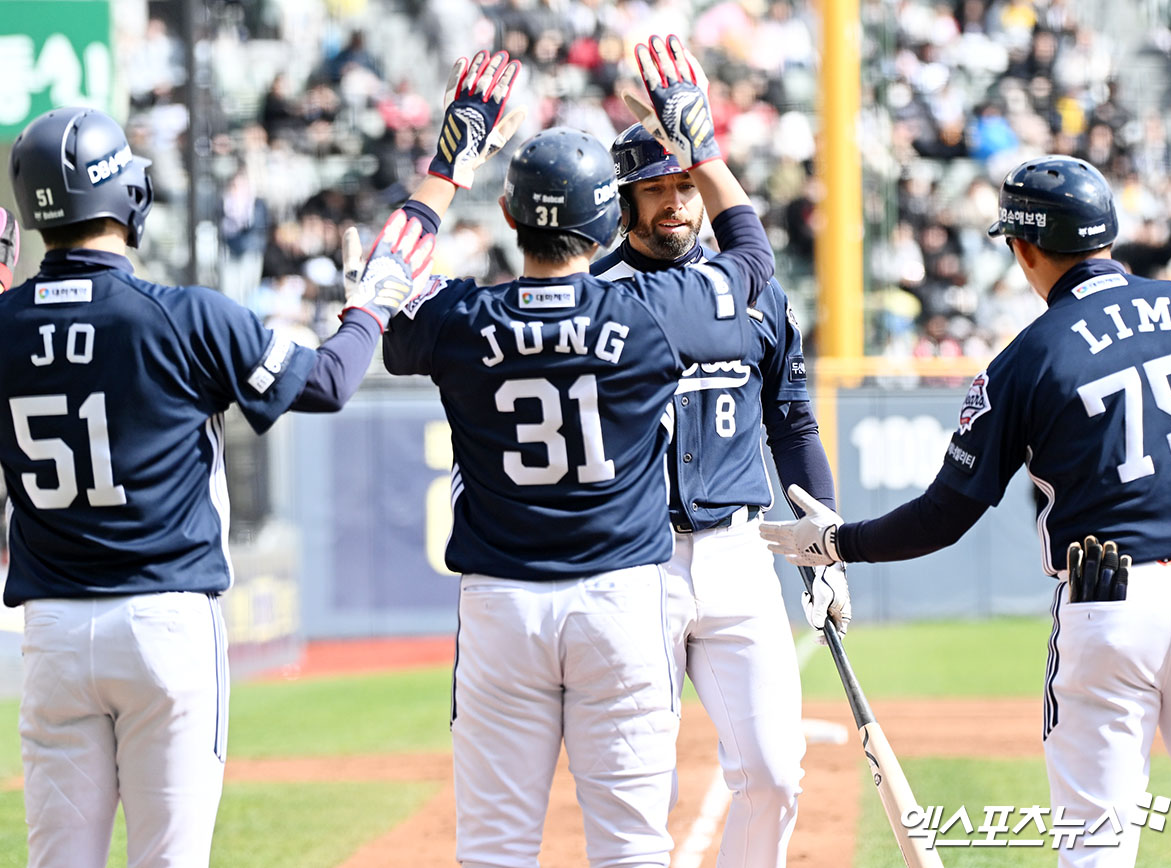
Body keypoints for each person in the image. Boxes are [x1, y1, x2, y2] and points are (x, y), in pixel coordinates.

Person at [0, 100, 441, 866]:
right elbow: (332, 383)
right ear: (123, 196)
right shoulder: (186, 317)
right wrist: (371, 304)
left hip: (53, 632)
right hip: (164, 622)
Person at [378, 34, 774, 868]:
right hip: (622, 604)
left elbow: (381, 284)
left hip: (502, 606)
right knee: (632, 846)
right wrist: (698, 143)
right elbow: (750, 262)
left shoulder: (459, 318)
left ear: (512, 216)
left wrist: (451, 163)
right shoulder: (654, 310)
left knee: (493, 847)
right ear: (609, 218)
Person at [760, 154, 1171, 867]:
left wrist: (837, 542)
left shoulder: (1027, 358)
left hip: (1111, 605)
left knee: (1098, 852)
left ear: (1024, 248)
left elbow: (944, 515)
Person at [590, 122, 840, 867]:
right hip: (637, 563)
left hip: (738, 552)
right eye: (654, 189)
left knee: (774, 775)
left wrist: (823, 549)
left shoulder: (759, 297)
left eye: (685, 186)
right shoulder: (595, 297)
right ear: (624, 201)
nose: (673, 204)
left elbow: (793, 427)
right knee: (641, 788)